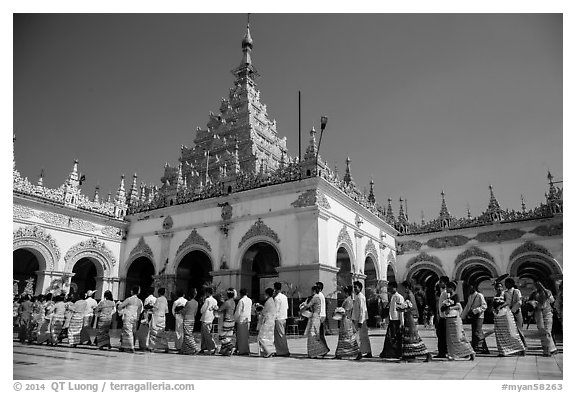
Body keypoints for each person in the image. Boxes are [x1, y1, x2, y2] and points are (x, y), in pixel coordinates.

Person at [399, 281, 432, 362]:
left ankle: (427, 354)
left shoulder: (410, 296)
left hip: (411, 318)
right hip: (408, 317)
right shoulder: (408, 295)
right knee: (408, 337)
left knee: (413, 337)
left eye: (402, 288)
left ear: (406, 287)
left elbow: (412, 307)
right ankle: (408, 355)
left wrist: (403, 309)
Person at [442, 281, 475, 361]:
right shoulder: (448, 297)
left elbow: (458, 306)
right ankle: (453, 354)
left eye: (447, 288)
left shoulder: (455, 296)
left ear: (452, 288)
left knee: (458, 337)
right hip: (449, 318)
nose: (446, 289)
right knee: (450, 338)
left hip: (454, 318)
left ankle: (469, 351)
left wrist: (450, 308)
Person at [492, 281, 525, 357]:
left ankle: (521, 348)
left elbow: (508, 302)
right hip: (498, 316)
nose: (499, 288)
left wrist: (500, 307)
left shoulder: (505, 294)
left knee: (511, 332)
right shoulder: (495, 296)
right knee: (500, 334)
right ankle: (502, 351)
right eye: (497, 287)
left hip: (505, 315)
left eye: (500, 286)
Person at [529, 281, 558, 357]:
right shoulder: (534, 293)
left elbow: (552, 300)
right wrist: (533, 303)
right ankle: (549, 349)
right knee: (542, 332)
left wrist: (543, 288)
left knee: (547, 331)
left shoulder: (547, 291)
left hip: (547, 313)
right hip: (538, 314)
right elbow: (529, 301)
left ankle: (548, 350)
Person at [461, 284, 490, 354]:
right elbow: (467, 307)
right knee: (475, 332)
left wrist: (475, 310)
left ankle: (484, 348)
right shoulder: (470, 296)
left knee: (477, 332)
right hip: (473, 317)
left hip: (479, 316)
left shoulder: (479, 295)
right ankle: (476, 347)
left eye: (470, 288)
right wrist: (462, 317)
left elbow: (484, 306)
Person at [303, 285, 329, 359]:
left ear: (314, 291)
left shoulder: (315, 297)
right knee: (315, 334)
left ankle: (320, 350)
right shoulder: (318, 297)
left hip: (315, 317)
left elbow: (308, 305)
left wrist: (302, 307)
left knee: (312, 334)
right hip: (317, 316)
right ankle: (316, 352)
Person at [335, 285, 360, 360]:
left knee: (346, 336)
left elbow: (345, 311)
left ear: (346, 292)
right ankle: (341, 353)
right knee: (347, 336)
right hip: (347, 320)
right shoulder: (350, 300)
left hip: (346, 320)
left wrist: (337, 311)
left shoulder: (348, 300)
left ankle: (354, 352)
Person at [380, 281, 404, 359]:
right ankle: (390, 352)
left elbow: (401, 311)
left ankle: (397, 352)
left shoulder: (399, 297)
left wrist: (401, 322)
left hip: (397, 320)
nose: (389, 290)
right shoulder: (392, 297)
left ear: (395, 288)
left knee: (396, 337)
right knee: (390, 337)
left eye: (390, 288)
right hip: (392, 319)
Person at [117, 285, 143, 353]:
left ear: (132, 291)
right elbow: (139, 311)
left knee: (127, 331)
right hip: (134, 317)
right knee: (130, 331)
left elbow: (120, 306)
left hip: (128, 316)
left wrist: (120, 308)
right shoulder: (139, 301)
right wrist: (137, 318)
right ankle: (123, 346)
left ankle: (131, 347)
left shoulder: (129, 299)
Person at [504, 277, 527, 347]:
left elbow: (519, 302)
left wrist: (512, 310)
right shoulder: (505, 292)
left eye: (507, 283)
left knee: (519, 330)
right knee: (510, 330)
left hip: (516, 312)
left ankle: (523, 345)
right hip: (508, 313)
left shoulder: (516, 291)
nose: (506, 285)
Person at [352, 280, 372, 358]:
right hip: (357, 319)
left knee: (360, 337)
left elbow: (362, 310)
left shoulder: (361, 297)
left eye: (356, 287)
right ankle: (367, 352)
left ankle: (359, 353)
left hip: (361, 320)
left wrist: (360, 321)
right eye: (354, 287)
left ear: (360, 288)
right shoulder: (357, 297)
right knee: (362, 337)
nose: (355, 289)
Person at [434, 276, 450, 358]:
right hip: (440, 316)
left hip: (445, 317)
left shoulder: (446, 293)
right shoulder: (441, 292)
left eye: (441, 282)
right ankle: (442, 351)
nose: (439, 283)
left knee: (442, 335)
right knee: (440, 334)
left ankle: (443, 351)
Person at [148, 287, 169, 353]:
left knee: (154, 331)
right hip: (163, 317)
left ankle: (152, 346)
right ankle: (164, 346)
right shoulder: (165, 300)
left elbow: (155, 308)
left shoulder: (158, 299)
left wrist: (150, 308)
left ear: (159, 293)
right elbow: (166, 310)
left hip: (157, 317)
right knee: (162, 332)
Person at [257, 288, 277, 358]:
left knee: (262, 337)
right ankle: (270, 350)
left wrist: (259, 311)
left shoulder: (268, 302)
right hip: (272, 321)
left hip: (267, 321)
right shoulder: (272, 301)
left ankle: (268, 351)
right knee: (270, 337)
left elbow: (264, 312)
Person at [180, 288, 200, 355]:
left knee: (188, 335)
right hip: (192, 319)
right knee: (187, 335)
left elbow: (184, 311)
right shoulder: (196, 303)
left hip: (187, 319)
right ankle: (185, 349)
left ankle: (195, 348)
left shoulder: (188, 303)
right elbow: (195, 312)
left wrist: (180, 311)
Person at [273, 282, 290, 357]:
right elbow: (287, 307)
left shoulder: (277, 298)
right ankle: (282, 350)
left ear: (275, 288)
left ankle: (282, 351)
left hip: (278, 318)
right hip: (284, 317)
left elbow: (275, 309)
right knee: (282, 334)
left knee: (279, 335)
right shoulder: (285, 297)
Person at [218, 288, 237, 356]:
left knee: (221, 336)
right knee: (228, 336)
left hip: (227, 320)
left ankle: (231, 346)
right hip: (232, 320)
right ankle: (225, 351)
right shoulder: (233, 302)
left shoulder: (227, 302)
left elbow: (220, 310)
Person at [199, 287, 218, 354]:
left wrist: (201, 311)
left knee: (206, 334)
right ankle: (203, 347)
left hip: (205, 318)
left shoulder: (207, 300)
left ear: (207, 292)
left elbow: (203, 309)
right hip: (211, 318)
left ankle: (214, 346)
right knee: (205, 334)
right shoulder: (215, 301)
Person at [234, 288, 252, 356]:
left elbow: (238, 311)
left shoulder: (241, 301)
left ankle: (242, 350)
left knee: (241, 336)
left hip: (241, 320)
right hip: (247, 320)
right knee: (246, 336)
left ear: (240, 294)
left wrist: (234, 319)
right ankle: (245, 349)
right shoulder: (249, 300)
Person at [315, 281, 330, 350]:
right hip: (322, 316)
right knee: (320, 334)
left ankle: (325, 348)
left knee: (320, 334)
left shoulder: (319, 295)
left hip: (320, 316)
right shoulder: (321, 295)